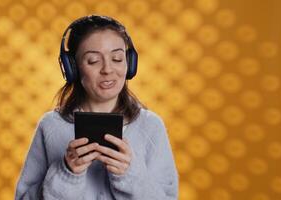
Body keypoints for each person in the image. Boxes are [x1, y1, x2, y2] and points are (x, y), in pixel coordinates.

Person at [15, 15, 178, 200]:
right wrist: (66, 173)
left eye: (117, 58)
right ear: (73, 68)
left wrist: (130, 175)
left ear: (130, 63)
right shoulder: (50, 126)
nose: (107, 69)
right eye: (93, 61)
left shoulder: (151, 126)